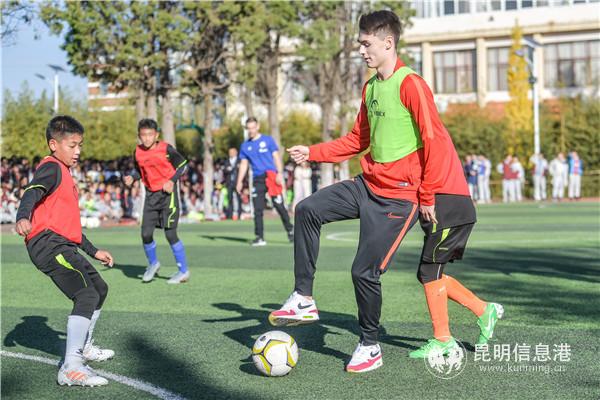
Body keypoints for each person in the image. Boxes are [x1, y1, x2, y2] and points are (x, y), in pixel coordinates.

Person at [268, 10, 500, 372]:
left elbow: (434, 141)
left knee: (364, 271)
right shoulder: (371, 87)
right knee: (307, 208)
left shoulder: (411, 84)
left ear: (387, 42)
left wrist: (427, 196)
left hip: (400, 197)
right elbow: (357, 140)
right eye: (360, 44)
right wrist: (312, 152)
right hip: (367, 185)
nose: (361, 51)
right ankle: (303, 297)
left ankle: (369, 345)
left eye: (366, 44)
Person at [15, 115, 115, 387]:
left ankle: (84, 347)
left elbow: (69, 227)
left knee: (99, 289)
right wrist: (22, 216)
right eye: (72, 145)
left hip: (61, 243)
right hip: (47, 244)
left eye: (80, 145)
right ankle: (71, 367)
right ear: (53, 145)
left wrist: (94, 251)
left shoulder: (65, 173)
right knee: (86, 294)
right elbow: (31, 191)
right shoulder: (52, 168)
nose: (78, 151)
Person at [124, 119, 190, 284]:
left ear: (156, 135)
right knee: (145, 234)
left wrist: (172, 181)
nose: (146, 138)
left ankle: (183, 271)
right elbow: (139, 171)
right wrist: (132, 177)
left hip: (168, 196)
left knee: (170, 234)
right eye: (143, 135)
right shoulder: (137, 152)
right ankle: (153, 264)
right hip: (151, 197)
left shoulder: (166, 149)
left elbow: (183, 165)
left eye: (150, 134)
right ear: (139, 136)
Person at [236, 117, 294, 246]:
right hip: (258, 179)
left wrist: (280, 173)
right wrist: (239, 181)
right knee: (257, 209)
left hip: (272, 177)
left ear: (258, 127)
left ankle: (291, 230)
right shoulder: (245, 146)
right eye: (248, 128)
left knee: (279, 205)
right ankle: (259, 237)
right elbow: (244, 164)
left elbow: (276, 157)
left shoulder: (267, 140)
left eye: (253, 127)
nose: (251, 130)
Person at [224, 147, 242, 220]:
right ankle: (230, 215)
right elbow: (225, 170)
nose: (230, 154)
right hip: (229, 183)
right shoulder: (227, 161)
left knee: (238, 199)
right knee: (230, 199)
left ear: (236, 153)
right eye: (229, 152)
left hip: (237, 182)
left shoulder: (239, 160)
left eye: (232, 152)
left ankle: (239, 214)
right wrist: (229, 169)